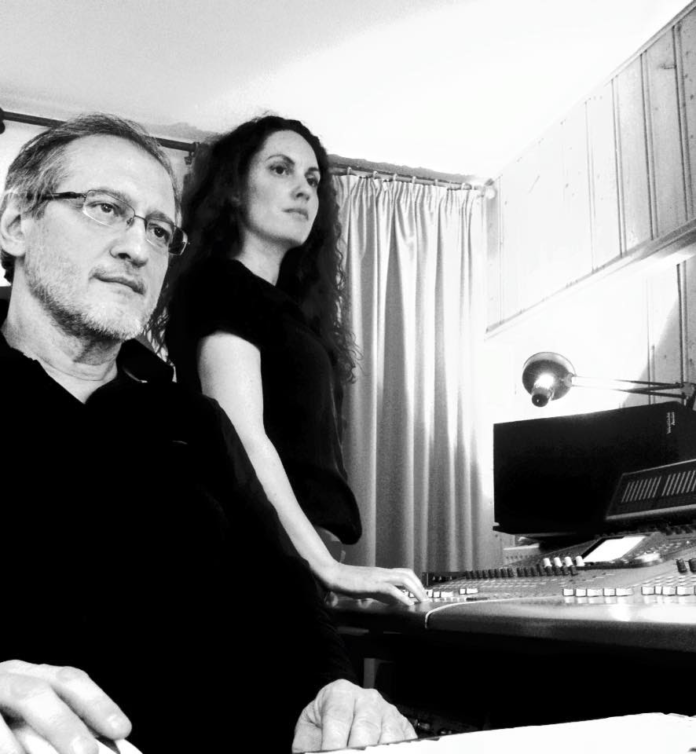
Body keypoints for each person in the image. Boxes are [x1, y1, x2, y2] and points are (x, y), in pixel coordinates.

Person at [0, 112, 416, 754]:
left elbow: (285, 596)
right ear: (16, 224)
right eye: (105, 208)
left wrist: (334, 692)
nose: (138, 249)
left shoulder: (193, 424)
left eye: (159, 230)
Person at [157, 115, 427, 606]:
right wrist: (323, 565)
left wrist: (320, 561)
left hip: (291, 555)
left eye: (312, 179)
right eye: (280, 169)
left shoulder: (282, 307)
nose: (303, 189)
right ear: (234, 189)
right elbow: (241, 435)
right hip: (261, 559)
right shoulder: (224, 284)